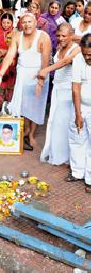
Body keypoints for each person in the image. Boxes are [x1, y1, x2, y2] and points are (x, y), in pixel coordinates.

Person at [0, 13, 52, 149]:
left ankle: (31, 134)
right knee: (22, 104)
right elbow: (9, 56)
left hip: (38, 75)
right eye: (24, 22)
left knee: (35, 106)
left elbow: (45, 62)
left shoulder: (43, 37)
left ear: (35, 22)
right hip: (22, 75)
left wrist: (40, 82)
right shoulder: (17, 36)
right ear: (20, 24)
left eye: (30, 21)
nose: (27, 25)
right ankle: (23, 130)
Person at [39, 23, 80, 165]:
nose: (60, 38)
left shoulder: (77, 49)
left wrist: (46, 70)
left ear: (71, 35)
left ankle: (66, 157)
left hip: (68, 92)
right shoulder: (59, 48)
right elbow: (58, 60)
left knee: (62, 123)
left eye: (64, 36)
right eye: (58, 35)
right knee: (53, 122)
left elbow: (66, 61)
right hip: (57, 89)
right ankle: (56, 154)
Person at [66, 33, 91, 193]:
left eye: (90, 55)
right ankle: (77, 172)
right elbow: (75, 87)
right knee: (77, 137)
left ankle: (90, 178)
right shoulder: (78, 60)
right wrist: (78, 114)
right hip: (81, 105)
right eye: (85, 54)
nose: (87, 57)